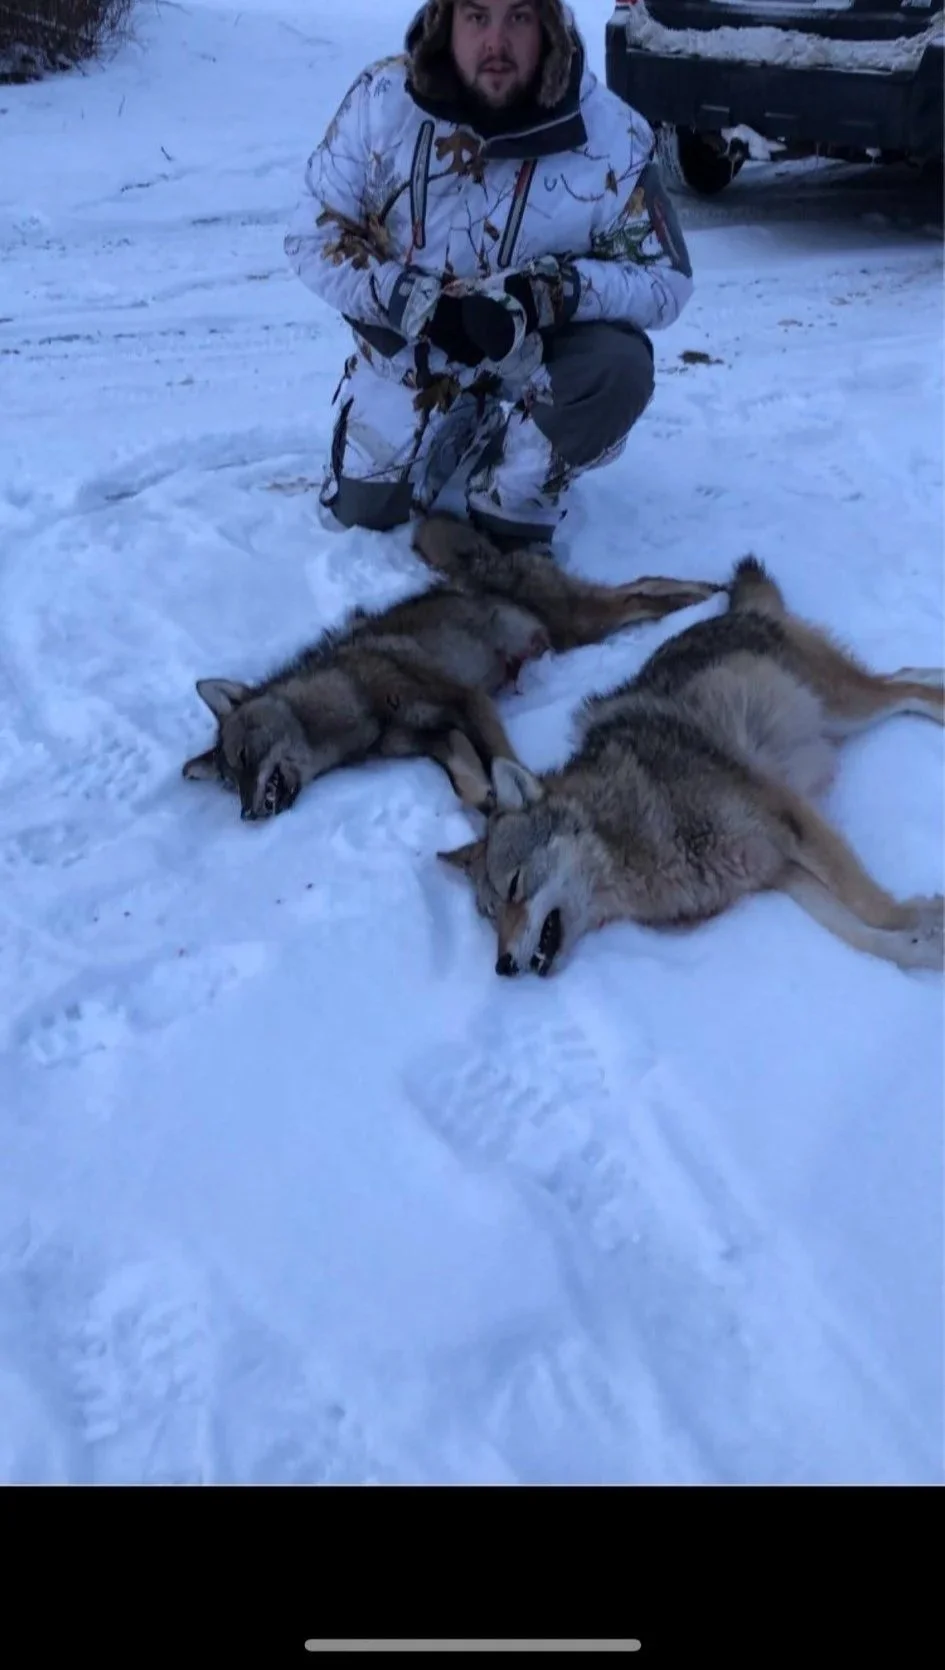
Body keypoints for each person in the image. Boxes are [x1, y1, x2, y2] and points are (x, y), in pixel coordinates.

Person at [285, 0, 694, 550]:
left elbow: (667, 281)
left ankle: (517, 485)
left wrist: (546, 294)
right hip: (414, 348)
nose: (496, 43)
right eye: (477, 17)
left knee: (616, 368)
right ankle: (458, 419)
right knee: (362, 517)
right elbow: (313, 235)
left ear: (547, 25)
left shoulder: (612, 135)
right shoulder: (381, 103)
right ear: (445, 22)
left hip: (534, 351)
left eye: (518, 17)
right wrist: (415, 303)